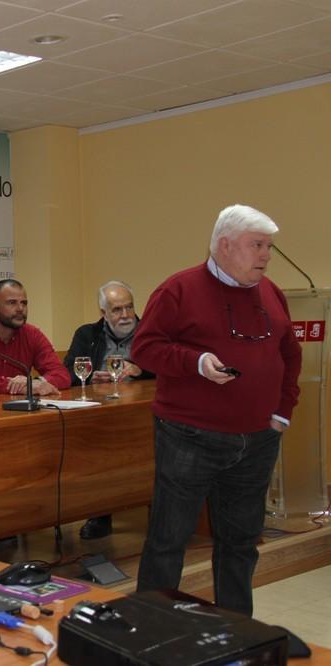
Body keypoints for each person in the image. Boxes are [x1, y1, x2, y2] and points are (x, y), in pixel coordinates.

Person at [131, 204, 301, 617]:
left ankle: (237, 629)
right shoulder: (179, 289)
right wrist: (197, 362)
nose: (265, 255)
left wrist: (282, 412)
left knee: (241, 542)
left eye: (269, 247)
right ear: (225, 245)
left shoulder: (271, 292)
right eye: (257, 245)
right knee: (169, 540)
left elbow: (290, 354)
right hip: (190, 436)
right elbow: (145, 348)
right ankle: (150, 628)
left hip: (258, 439)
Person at [63, 280, 155, 539]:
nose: (125, 315)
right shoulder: (88, 334)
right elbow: (69, 370)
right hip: (100, 414)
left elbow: (169, 367)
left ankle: (156, 509)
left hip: (143, 414)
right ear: (103, 313)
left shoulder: (151, 332)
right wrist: (91, 377)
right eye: (117, 310)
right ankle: (100, 512)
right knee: (95, 454)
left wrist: (140, 370)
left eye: (129, 307)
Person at [0, 278, 71, 398]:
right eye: (12, 303)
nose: (20, 309)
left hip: (17, 411)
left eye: (24, 303)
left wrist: (37, 382)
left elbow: (62, 375)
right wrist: (25, 386)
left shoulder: (33, 334)